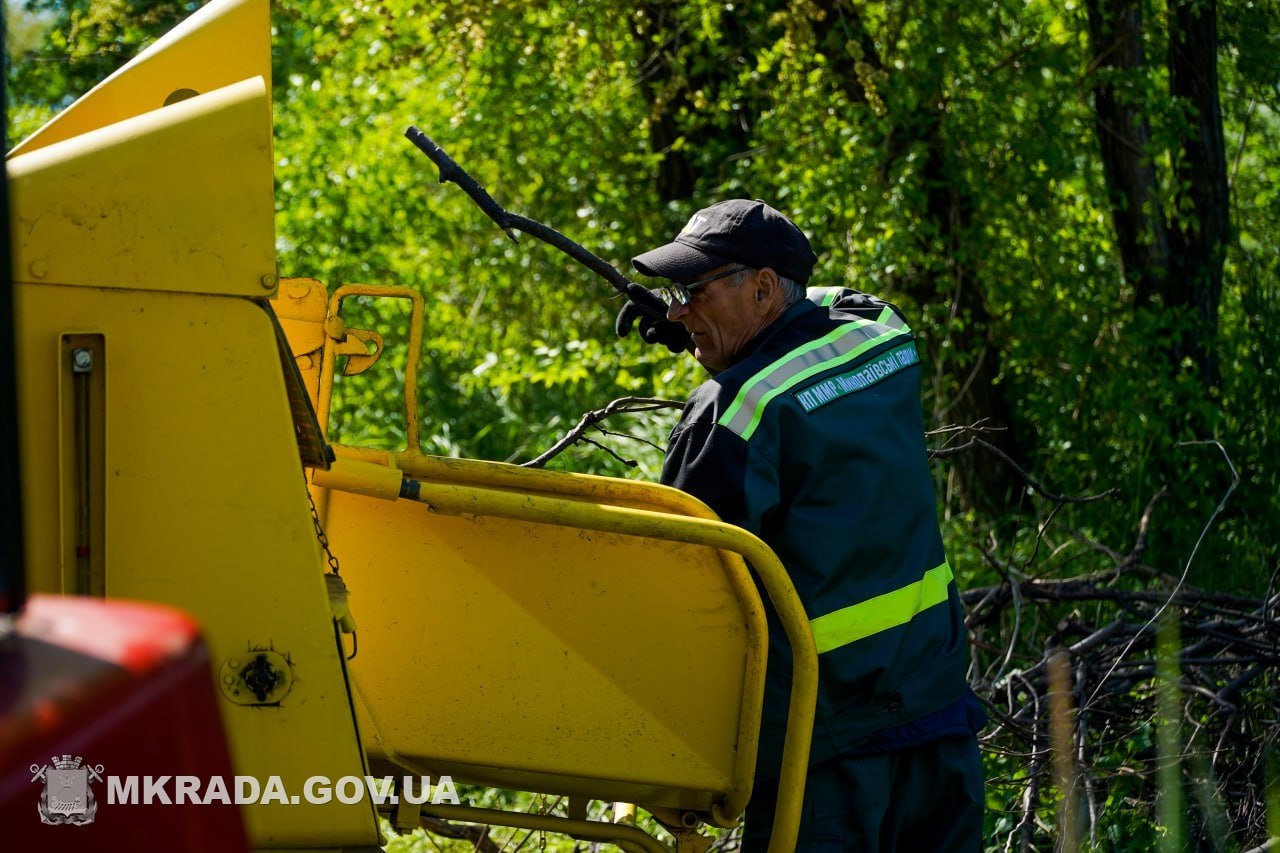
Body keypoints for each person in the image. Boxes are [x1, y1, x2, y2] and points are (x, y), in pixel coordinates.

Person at [617, 199, 986, 851]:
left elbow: (669, 594)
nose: (676, 310)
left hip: (824, 757)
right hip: (937, 713)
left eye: (692, 291)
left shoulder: (733, 416)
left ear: (762, 288)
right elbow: (819, 306)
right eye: (674, 295)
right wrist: (703, 326)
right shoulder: (883, 335)